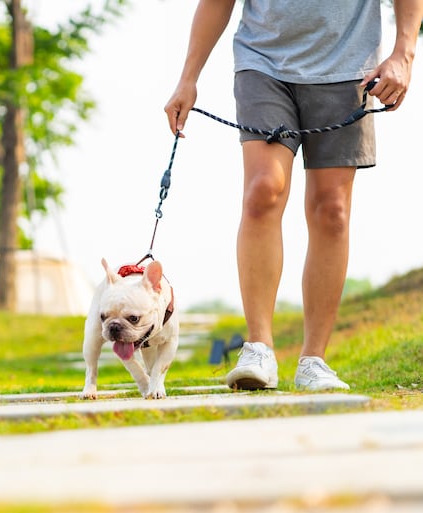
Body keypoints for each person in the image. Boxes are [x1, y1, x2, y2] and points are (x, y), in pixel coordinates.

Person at [164, 0, 423, 391]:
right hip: (263, 62)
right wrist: (188, 78)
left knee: (332, 210)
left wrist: (403, 53)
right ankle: (258, 349)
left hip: (349, 68)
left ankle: (313, 361)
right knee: (263, 190)